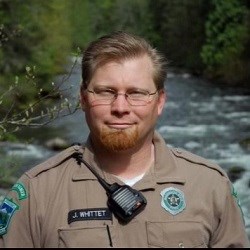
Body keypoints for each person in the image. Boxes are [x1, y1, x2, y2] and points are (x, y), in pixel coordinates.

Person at [0, 31, 249, 248]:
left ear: (160, 101)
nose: (120, 107)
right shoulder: (36, 193)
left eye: (136, 93)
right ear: (84, 98)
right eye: (106, 92)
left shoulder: (210, 186)